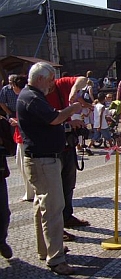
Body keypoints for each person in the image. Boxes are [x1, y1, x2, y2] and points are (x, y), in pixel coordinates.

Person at [17, 62, 82, 275]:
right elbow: (54, 118)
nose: (53, 84)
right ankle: (56, 259)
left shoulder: (32, 95)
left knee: (41, 205)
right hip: (43, 161)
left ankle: (45, 249)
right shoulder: (32, 97)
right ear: (41, 79)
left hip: (42, 159)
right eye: (51, 79)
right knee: (53, 208)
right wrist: (72, 109)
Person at [45, 72, 91, 237]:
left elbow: (83, 79)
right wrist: (68, 121)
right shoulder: (36, 95)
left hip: (67, 145)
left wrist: (74, 90)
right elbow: (49, 119)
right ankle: (57, 229)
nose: (50, 84)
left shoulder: (59, 85)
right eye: (47, 81)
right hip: (50, 149)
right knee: (54, 190)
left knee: (68, 183)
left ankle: (67, 216)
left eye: (52, 80)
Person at [9, 75, 35, 201]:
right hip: (21, 136)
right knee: (22, 165)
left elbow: (29, 119)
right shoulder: (25, 96)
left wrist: (16, 122)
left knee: (25, 166)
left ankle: (30, 192)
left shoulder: (24, 97)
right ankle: (28, 191)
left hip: (24, 137)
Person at [0, 116, 14, 260]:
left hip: (0, 174)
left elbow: (12, 148)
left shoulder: (1, 122)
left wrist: (3, 141)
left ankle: (1, 240)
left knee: (3, 214)